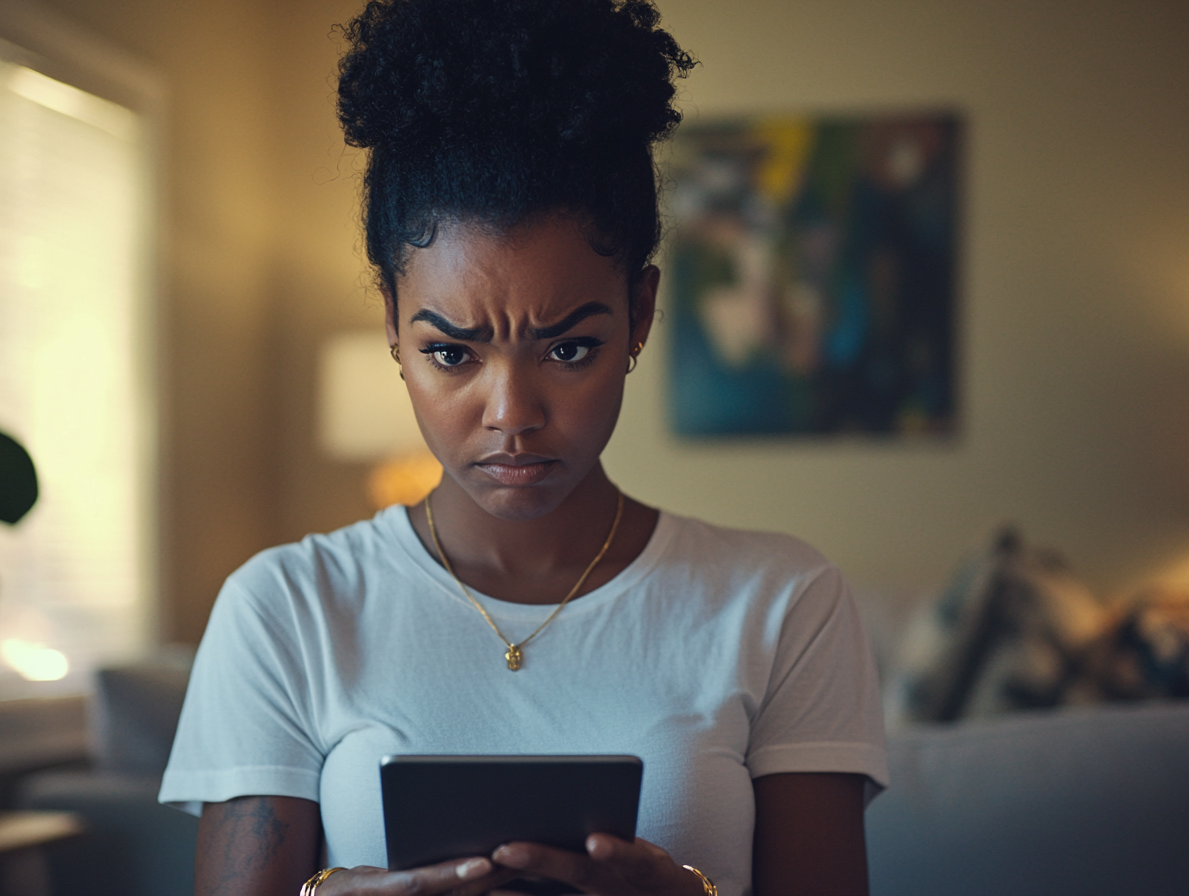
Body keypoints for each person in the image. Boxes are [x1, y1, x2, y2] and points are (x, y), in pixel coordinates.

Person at [159, 1, 888, 894]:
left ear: (641, 315)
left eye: (569, 348)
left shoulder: (783, 604)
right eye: (452, 353)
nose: (512, 412)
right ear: (392, 323)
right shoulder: (285, 612)